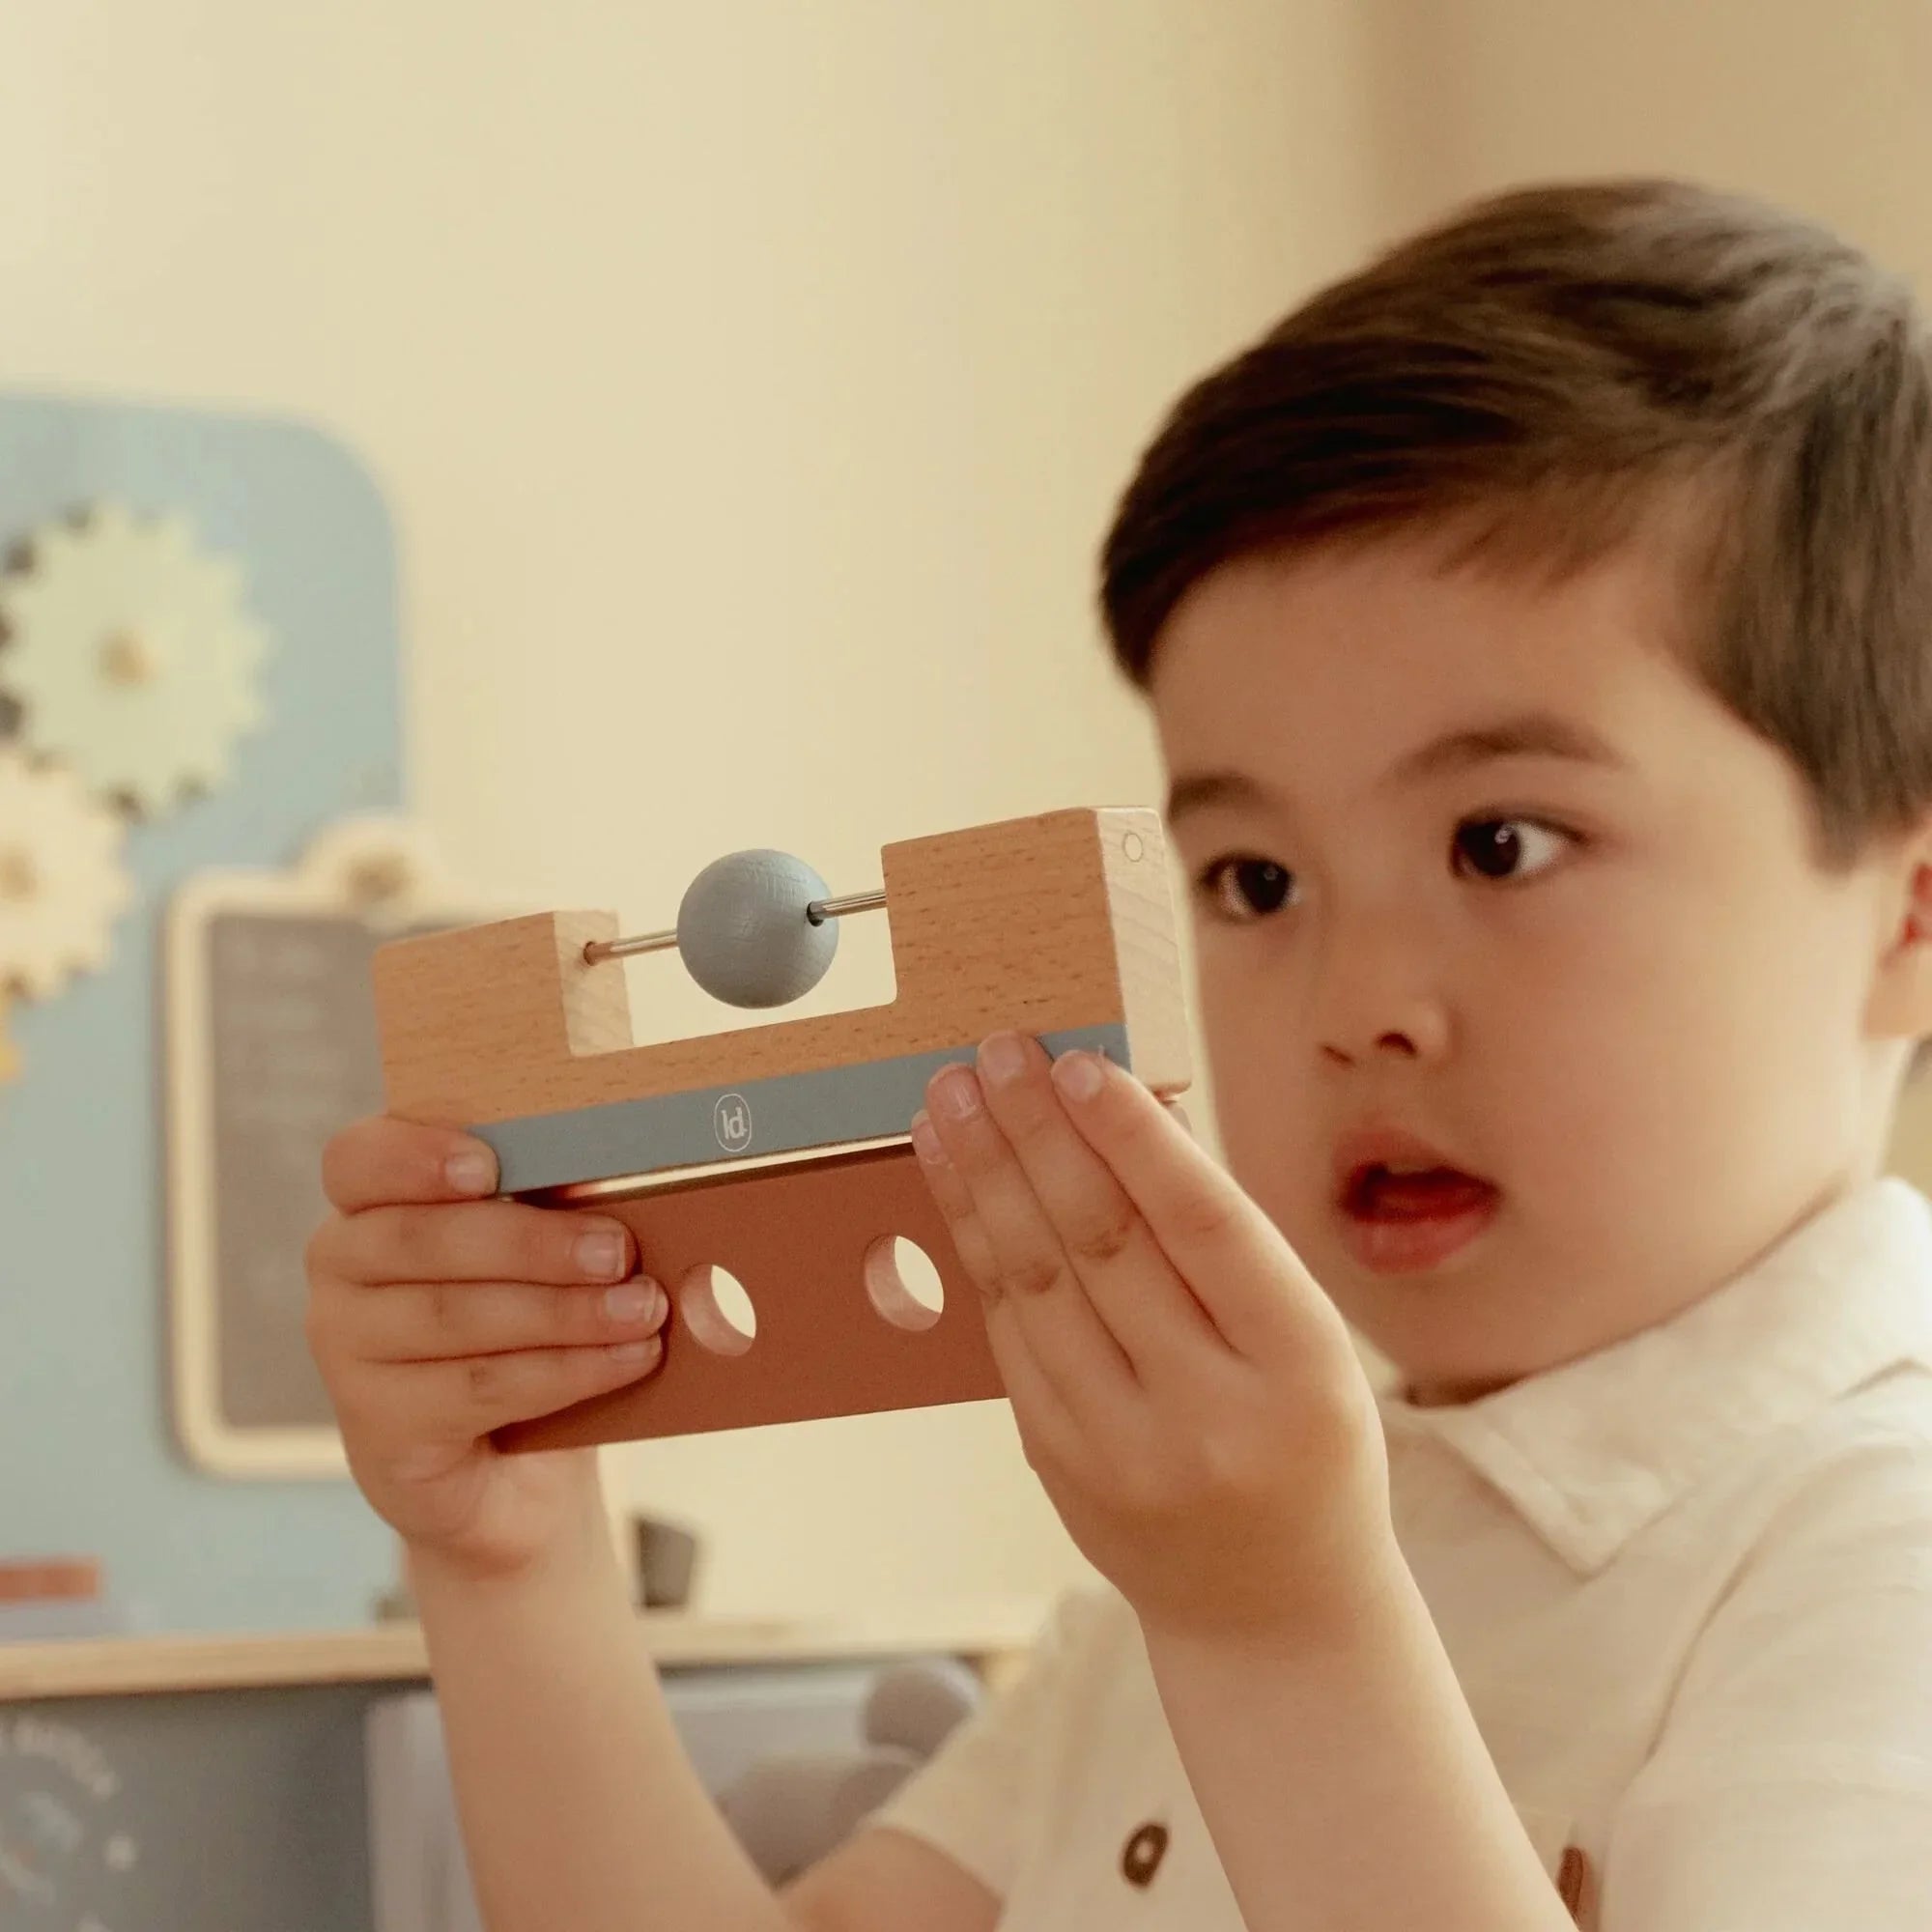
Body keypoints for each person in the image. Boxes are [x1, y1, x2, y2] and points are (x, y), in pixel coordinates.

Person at [305, 176, 1932, 1930]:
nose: (1354, 1002)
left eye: (1501, 844)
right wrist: (516, 1564)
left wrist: (1278, 1629)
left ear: (1909, 919)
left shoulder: (1872, 1560)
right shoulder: (1187, 1590)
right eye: (1254, 881)